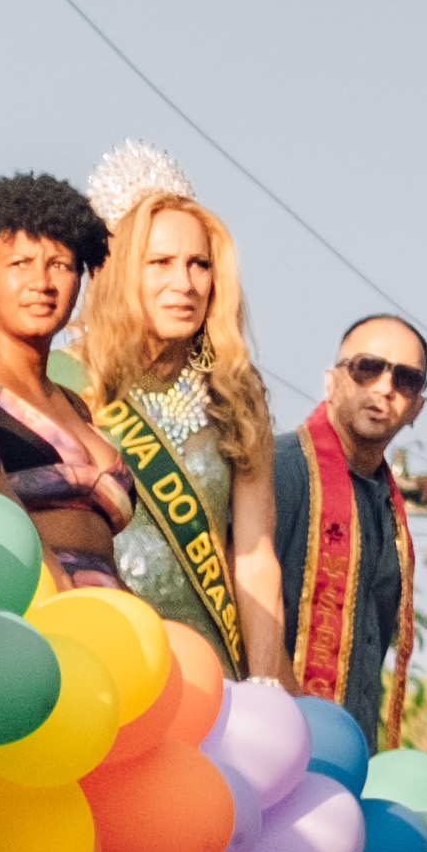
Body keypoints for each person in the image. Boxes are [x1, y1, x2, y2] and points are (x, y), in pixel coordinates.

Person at [79, 165, 285, 678]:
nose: (185, 283)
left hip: (213, 674)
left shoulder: (236, 395)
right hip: (108, 658)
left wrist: (261, 685)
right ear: (121, 270)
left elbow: (256, 558)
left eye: (199, 264)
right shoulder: (69, 382)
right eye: (161, 262)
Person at [0, 173, 127, 575]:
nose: (41, 283)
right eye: (20, 263)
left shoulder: (76, 404)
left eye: (59, 265)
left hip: (110, 616)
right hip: (28, 605)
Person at [271, 315, 424, 731]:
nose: (384, 388)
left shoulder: (391, 514)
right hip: (278, 737)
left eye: (406, 379)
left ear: (417, 408)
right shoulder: (278, 468)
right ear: (331, 381)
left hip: (352, 754)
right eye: (367, 368)